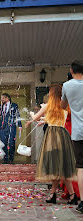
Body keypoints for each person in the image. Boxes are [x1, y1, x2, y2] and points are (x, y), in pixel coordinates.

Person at [26, 85, 77, 204]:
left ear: (51, 95)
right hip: (63, 136)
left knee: (56, 166)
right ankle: (67, 195)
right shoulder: (65, 106)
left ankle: (56, 195)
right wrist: (44, 121)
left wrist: (31, 113)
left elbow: (35, 117)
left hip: (52, 137)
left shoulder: (48, 106)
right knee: (61, 167)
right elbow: (53, 119)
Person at [61, 60, 83, 212]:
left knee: (81, 167)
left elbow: (63, 106)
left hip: (78, 131)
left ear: (71, 71)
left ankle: (82, 201)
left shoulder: (67, 85)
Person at [0, 93, 22, 164]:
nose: (1, 100)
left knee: (11, 142)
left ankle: (11, 159)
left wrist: (19, 125)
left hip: (12, 126)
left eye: (2, 98)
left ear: (7, 98)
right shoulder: (0, 107)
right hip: (2, 127)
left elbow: (17, 115)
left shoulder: (14, 105)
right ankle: (5, 159)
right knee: (3, 143)